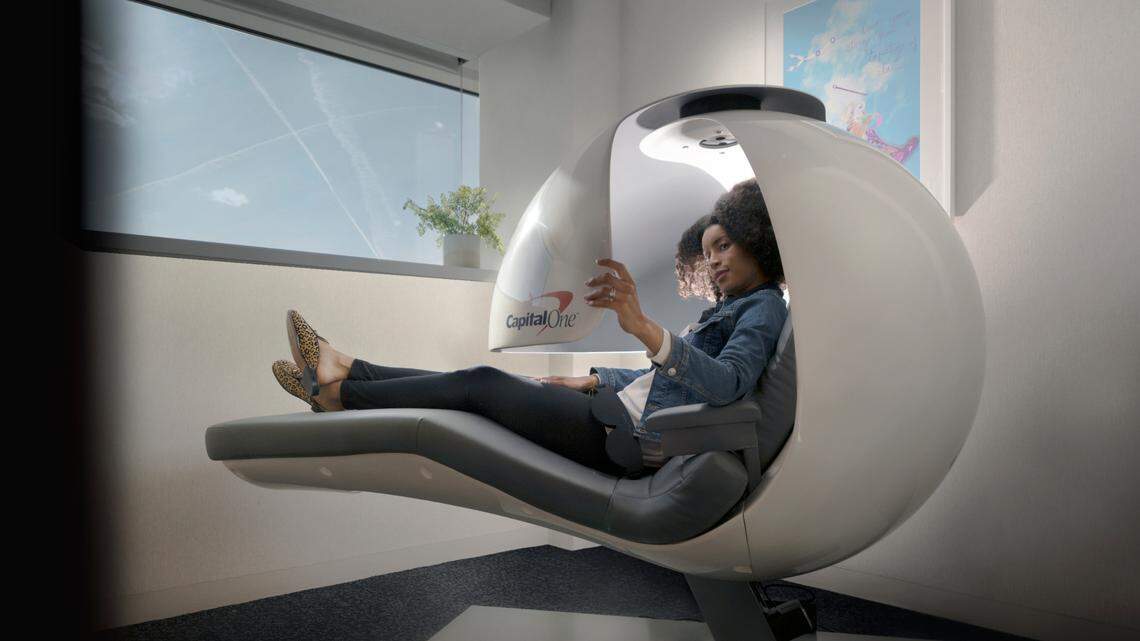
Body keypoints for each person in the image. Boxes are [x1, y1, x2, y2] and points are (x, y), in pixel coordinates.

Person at [271, 178, 788, 477]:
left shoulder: (764, 308)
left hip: (630, 439)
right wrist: (591, 380)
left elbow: (727, 385)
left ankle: (340, 392)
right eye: (709, 250)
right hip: (611, 411)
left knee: (479, 384)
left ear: (757, 239)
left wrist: (644, 328)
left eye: (725, 245)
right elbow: (665, 386)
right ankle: (344, 371)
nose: (715, 260)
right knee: (474, 383)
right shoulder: (728, 309)